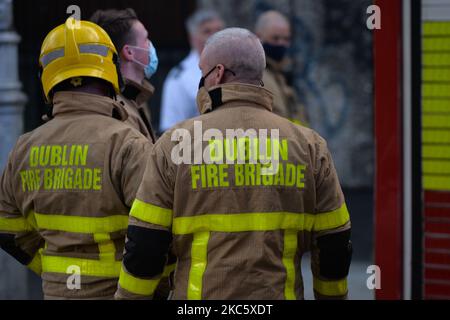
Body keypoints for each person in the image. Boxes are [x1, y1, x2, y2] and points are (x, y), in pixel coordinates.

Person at [115, 28, 352, 300]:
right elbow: (335, 244)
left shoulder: (175, 144)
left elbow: (145, 245)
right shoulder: (309, 146)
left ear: (217, 73)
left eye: (201, 73)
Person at [0, 18, 152, 299]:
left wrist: (53, 269)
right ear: (111, 71)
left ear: (46, 76)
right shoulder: (128, 144)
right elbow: (154, 235)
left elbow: (8, 228)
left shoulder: (23, 148)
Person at [90, 8, 157, 142]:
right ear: (129, 52)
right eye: (146, 39)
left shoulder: (134, 97)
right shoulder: (118, 110)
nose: (150, 46)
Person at [159, 9, 224, 133]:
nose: (216, 36)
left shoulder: (235, 66)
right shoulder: (180, 77)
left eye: (219, 30)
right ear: (192, 38)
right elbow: (171, 129)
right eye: (207, 31)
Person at [255, 10, 308, 126]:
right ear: (259, 37)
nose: (281, 43)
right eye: (275, 38)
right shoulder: (254, 75)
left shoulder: (280, 75)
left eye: (286, 39)